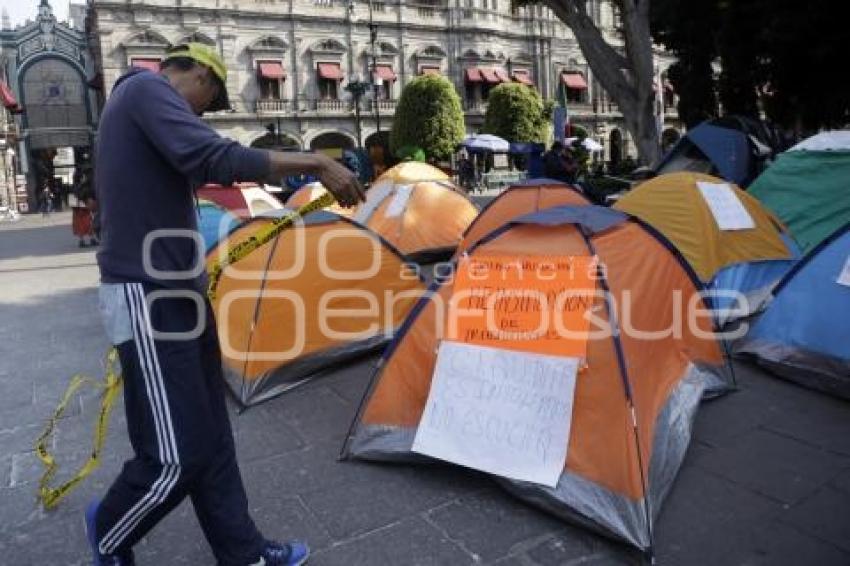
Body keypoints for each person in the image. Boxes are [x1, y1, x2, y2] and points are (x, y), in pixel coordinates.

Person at [87, 43, 364, 566]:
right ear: (196, 75)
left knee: (212, 438)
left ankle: (244, 554)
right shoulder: (145, 89)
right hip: (146, 294)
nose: (201, 114)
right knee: (175, 455)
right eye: (208, 99)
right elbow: (214, 155)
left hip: (176, 290)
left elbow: (200, 160)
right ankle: (108, 529)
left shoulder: (146, 115)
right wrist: (315, 161)